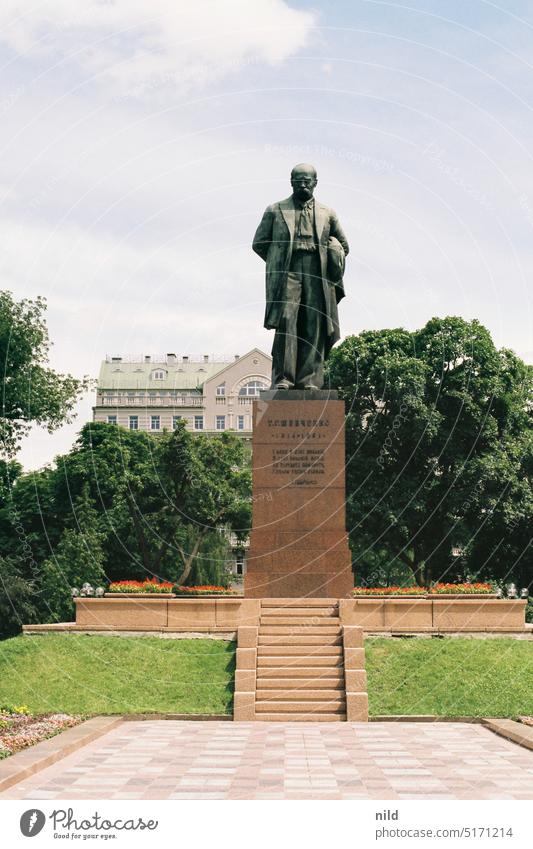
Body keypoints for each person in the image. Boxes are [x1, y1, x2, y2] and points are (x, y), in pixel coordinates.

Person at [252, 163, 349, 390]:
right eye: (299, 180)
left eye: (307, 180)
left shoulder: (328, 213)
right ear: (291, 182)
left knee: (313, 322)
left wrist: (334, 250)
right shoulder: (275, 210)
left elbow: (343, 244)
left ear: (315, 183)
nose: (303, 184)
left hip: (318, 271)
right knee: (287, 320)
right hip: (289, 269)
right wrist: (278, 259)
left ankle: (310, 380)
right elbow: (259, 243)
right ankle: (283, 379)